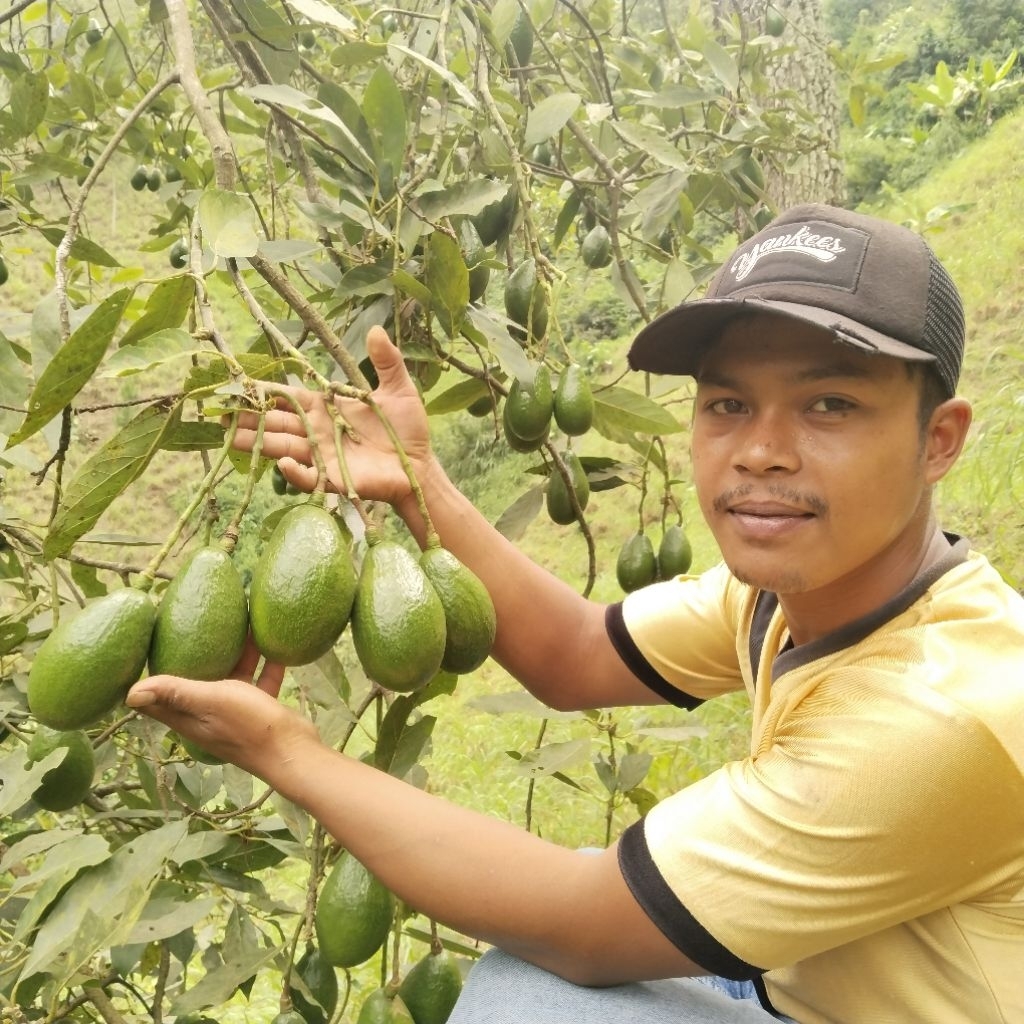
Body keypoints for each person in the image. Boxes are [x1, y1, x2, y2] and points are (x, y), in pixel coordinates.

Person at [126, 204, 1024, 1023]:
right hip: (800, 979)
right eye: (727, 403)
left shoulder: (943, 713)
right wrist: (419, 482)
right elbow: (576, 653)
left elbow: (585, 926)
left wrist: (281, 749)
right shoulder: (790, 594)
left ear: (938, 439)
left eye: (830, 404)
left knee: (530, 997)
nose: (760, 452)